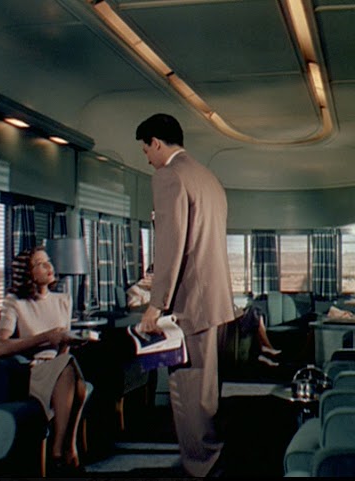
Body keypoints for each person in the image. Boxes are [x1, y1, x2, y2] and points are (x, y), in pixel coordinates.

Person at [135, 113, 236, 477]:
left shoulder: (168, 176)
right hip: (216, 302)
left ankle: (201, 467)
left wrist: (156, 304)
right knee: (207, 395)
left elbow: (171, 245)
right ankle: (212, 458)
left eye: (146, 150)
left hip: (190, 304)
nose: (148, 158)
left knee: (188, 394)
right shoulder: (208, 178)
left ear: (156, 143)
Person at [0, 245, 91, 474]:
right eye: (40, 263)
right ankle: (65, 450)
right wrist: (46, 337)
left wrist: (68, 341)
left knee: (70, 371)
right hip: (33, 370)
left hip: (61, 365)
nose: (49, 266)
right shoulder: (15, 302)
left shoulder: (63, 300)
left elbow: (63, 351)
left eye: (49, 261)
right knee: (74, 378)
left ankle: (61, 450)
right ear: (28, 273)